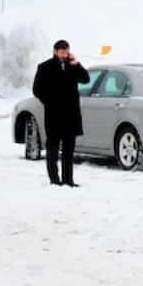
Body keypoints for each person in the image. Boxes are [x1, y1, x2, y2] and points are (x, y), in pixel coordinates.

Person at [32, 40, 91, 187]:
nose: (65, 55)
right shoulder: (45, 67)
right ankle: (54, 179)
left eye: (67, 52)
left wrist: (77, 64)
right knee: (52, 149)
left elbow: (86, 79)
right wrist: (49, 102)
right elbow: (37, 89)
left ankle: (68, 180)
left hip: (71, 115)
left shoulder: (72, 66)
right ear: (55, 51)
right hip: (54, 115)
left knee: (68, 150)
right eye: (62, 52)